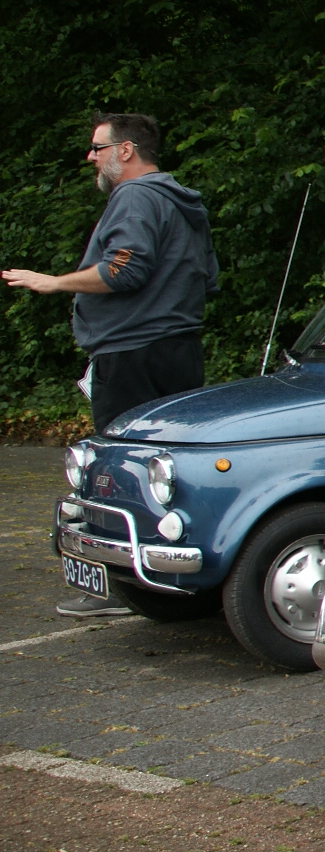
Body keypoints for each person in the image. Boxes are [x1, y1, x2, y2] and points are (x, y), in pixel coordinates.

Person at [4, 113, 220, 618]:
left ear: (126, 150)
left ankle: (123, 587)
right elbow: (207, 277)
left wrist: (55, 282)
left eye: (97, 148)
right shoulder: (182, 202)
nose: (91, 157)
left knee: (116, 472)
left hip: (131, 355)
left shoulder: (135, 196)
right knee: (169, 473)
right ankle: (171, 579)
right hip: (177, 350)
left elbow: (125, 268)